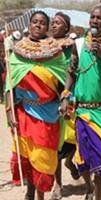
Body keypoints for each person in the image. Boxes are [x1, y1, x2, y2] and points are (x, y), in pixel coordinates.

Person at [59, 5, 101, 200]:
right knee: (85, 157)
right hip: (83, 112)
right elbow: (71, 71)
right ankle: (92, 189)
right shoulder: (78, 44)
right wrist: (65, 95)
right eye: (92, 18)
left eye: (100, 19)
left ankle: (99, 194)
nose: (95, 21)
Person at [5, 11, 67, 200]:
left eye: (42, 23)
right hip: (24, 113)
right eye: (34, 22)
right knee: (27, 156)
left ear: (47, 28)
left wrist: (65, 99)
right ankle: (30, 192)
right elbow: (9, 85)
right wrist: (9, 112)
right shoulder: (16, 54)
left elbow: (64, 83)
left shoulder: (56, 54)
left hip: (48, 114)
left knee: (43, 158)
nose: (38, 25)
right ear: (29, 25)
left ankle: (40, 195)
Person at [49, 12, 79, 200]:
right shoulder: (44, 47)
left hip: (72, 97)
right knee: (55, 145)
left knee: (74, 139)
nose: (53, 25)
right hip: (50, 100)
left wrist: (68, 95)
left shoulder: (73, 47)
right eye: (52, 22)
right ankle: (57, 185)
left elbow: (76, 71)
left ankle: (70, 163)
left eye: (58, 23)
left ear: (67, 28)